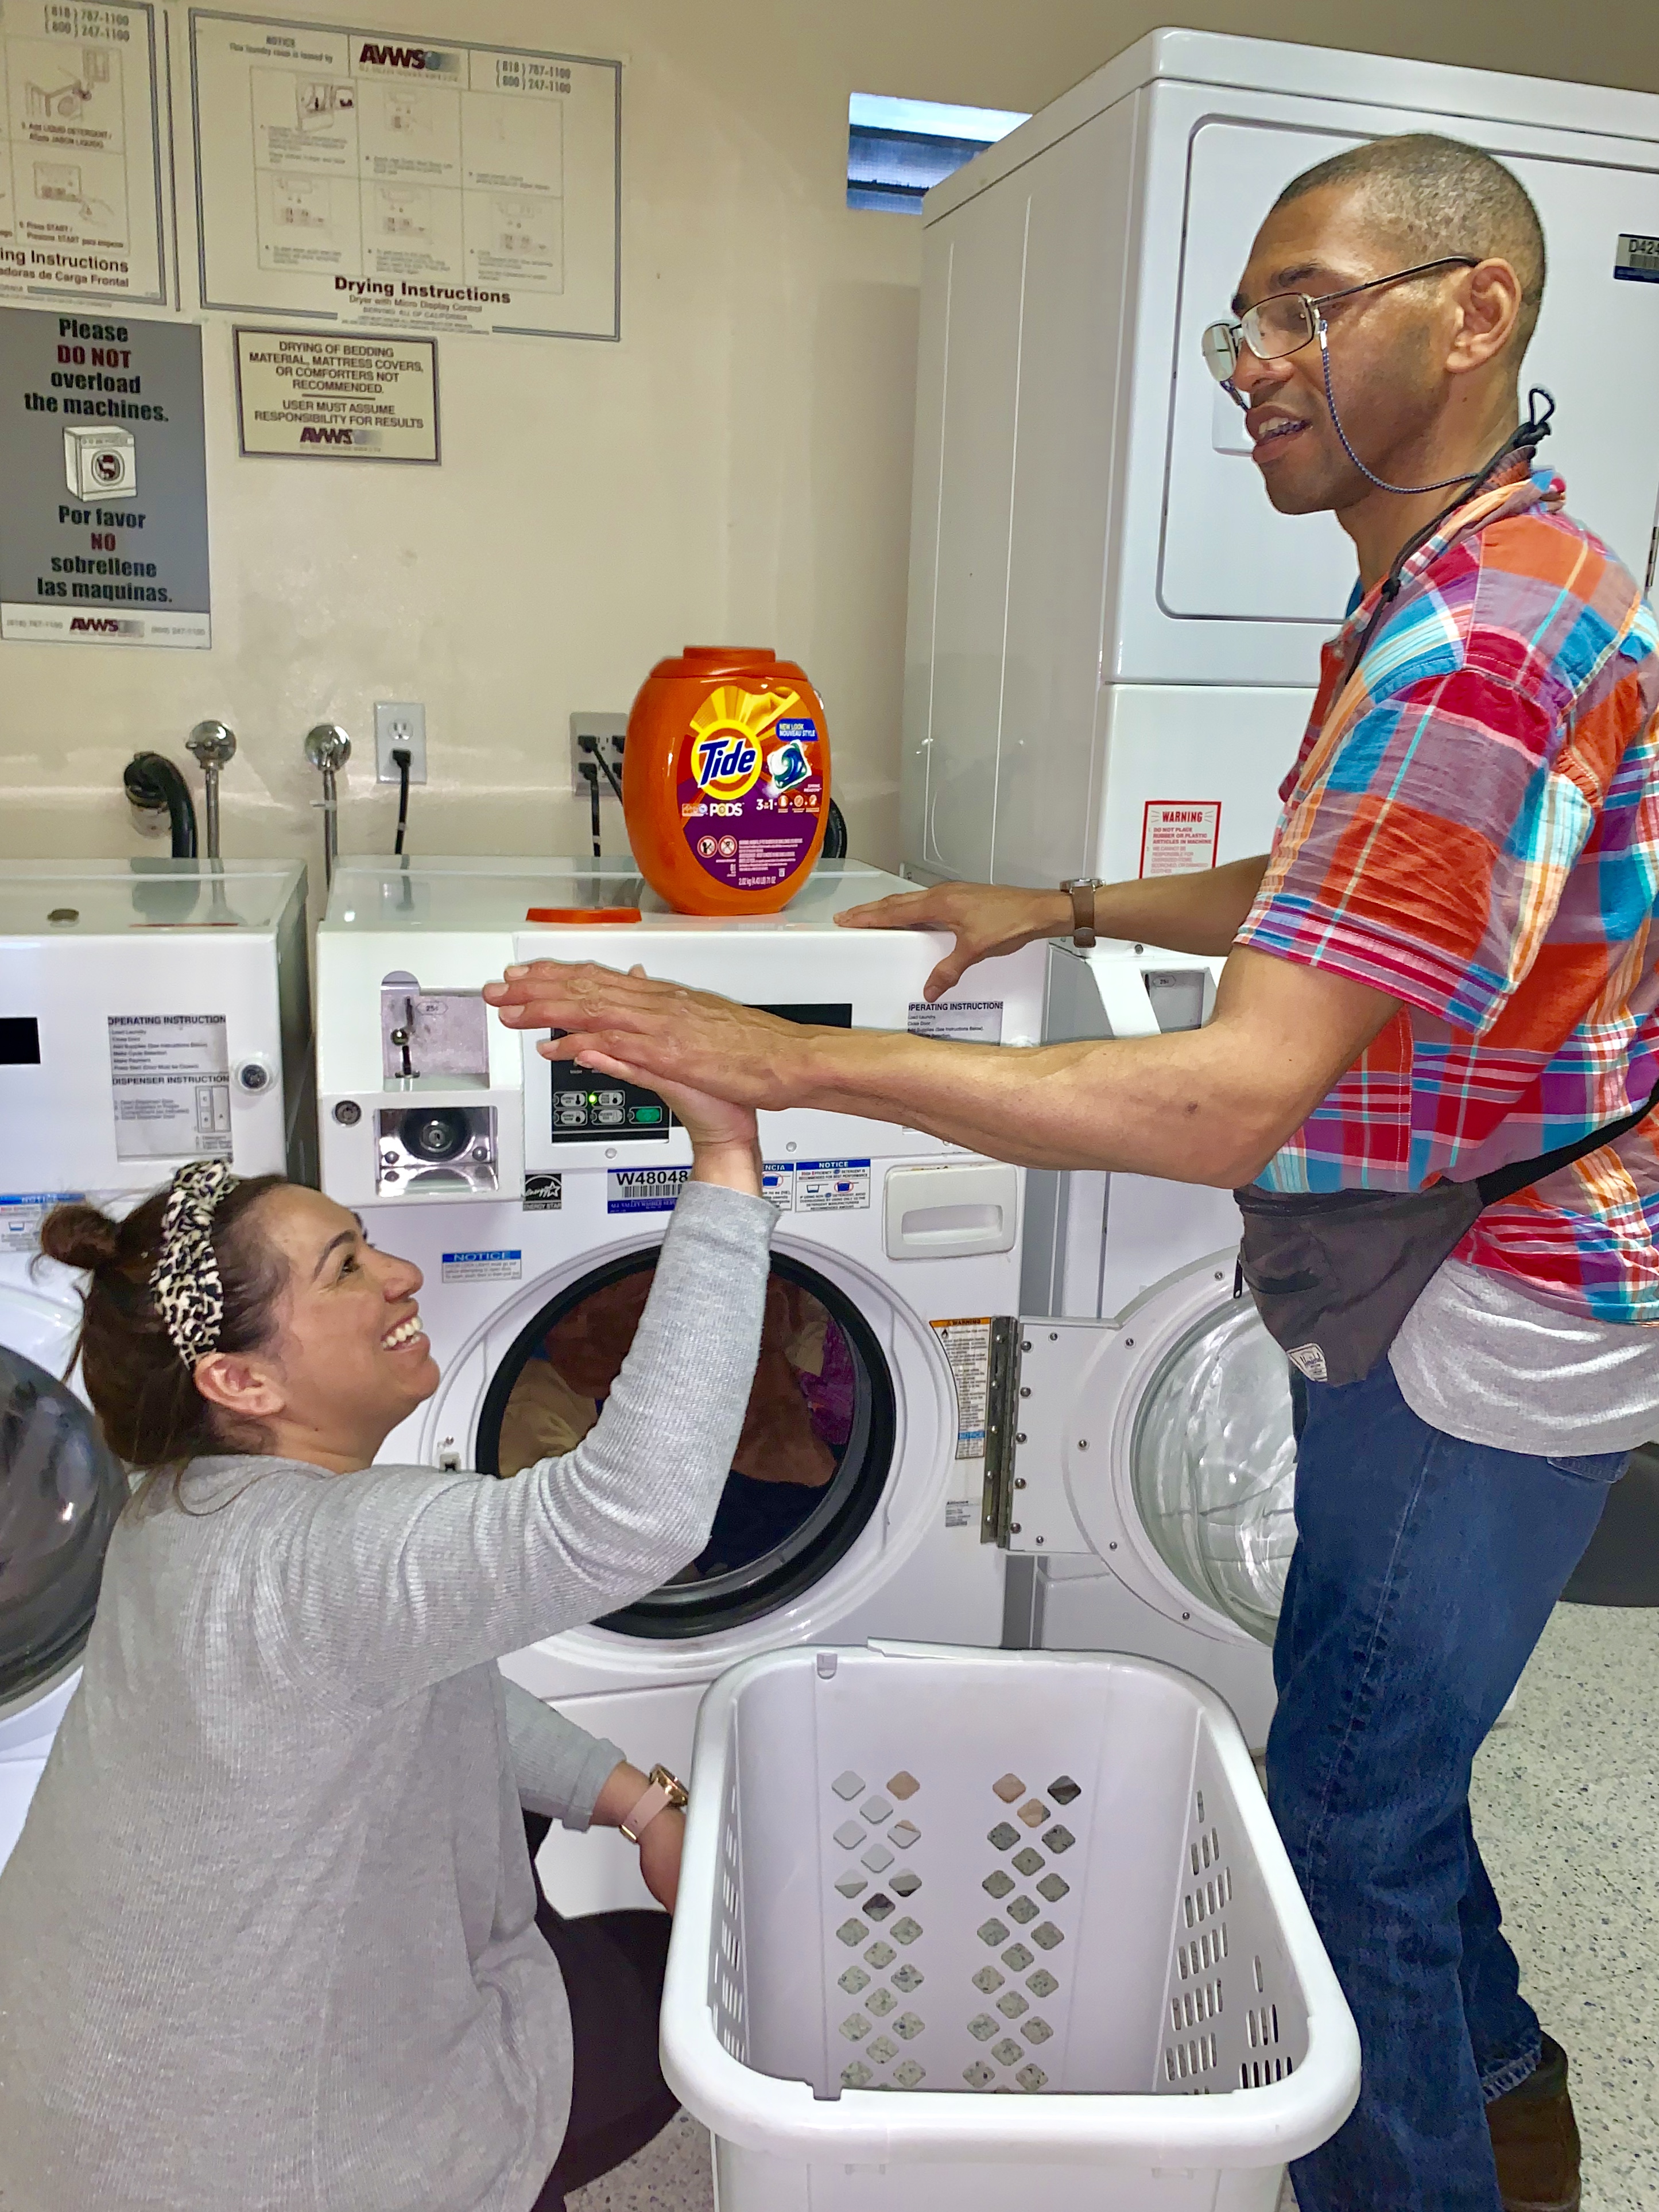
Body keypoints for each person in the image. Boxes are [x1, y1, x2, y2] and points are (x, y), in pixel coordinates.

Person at [485, 135, 1659, 2212]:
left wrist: (778, 1059)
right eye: (1248, 321)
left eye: (1309, 308)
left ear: (1474, 315)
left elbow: (1223, 1102)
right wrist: (1064, 897)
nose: (1253, 365)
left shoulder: (1471, 644)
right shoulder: (1465, 582)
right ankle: (1500, 2061)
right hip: (1440, 1243)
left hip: (1501, 1286)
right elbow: (1330, 887)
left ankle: (1423, 2168)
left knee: (1352, 1799)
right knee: (1368, 1709)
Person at [0, 1074, 775, 2212]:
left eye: (364, 1244)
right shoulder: (329, 1549)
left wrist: (634, 1802)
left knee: (490, 1808)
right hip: (264, 2169)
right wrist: (721, 1159)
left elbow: (436, 1681)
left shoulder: (170, 1512)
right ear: (240, 1380)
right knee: (680, 1987)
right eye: (348, 1268)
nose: (402, 1274)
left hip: (81, 2125)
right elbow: (635, 1513)